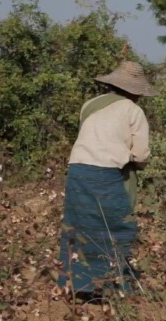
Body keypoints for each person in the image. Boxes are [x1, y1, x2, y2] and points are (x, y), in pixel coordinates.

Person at [58, 61, 156, 303]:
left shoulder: (90, 105)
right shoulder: (134, 111)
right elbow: (141, 154)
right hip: (106, 174)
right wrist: (134, 163)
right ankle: (114, 285)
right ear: (134, 90)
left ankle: (78, 284)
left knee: (81, 225)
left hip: (78, 170)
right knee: (114, 227)